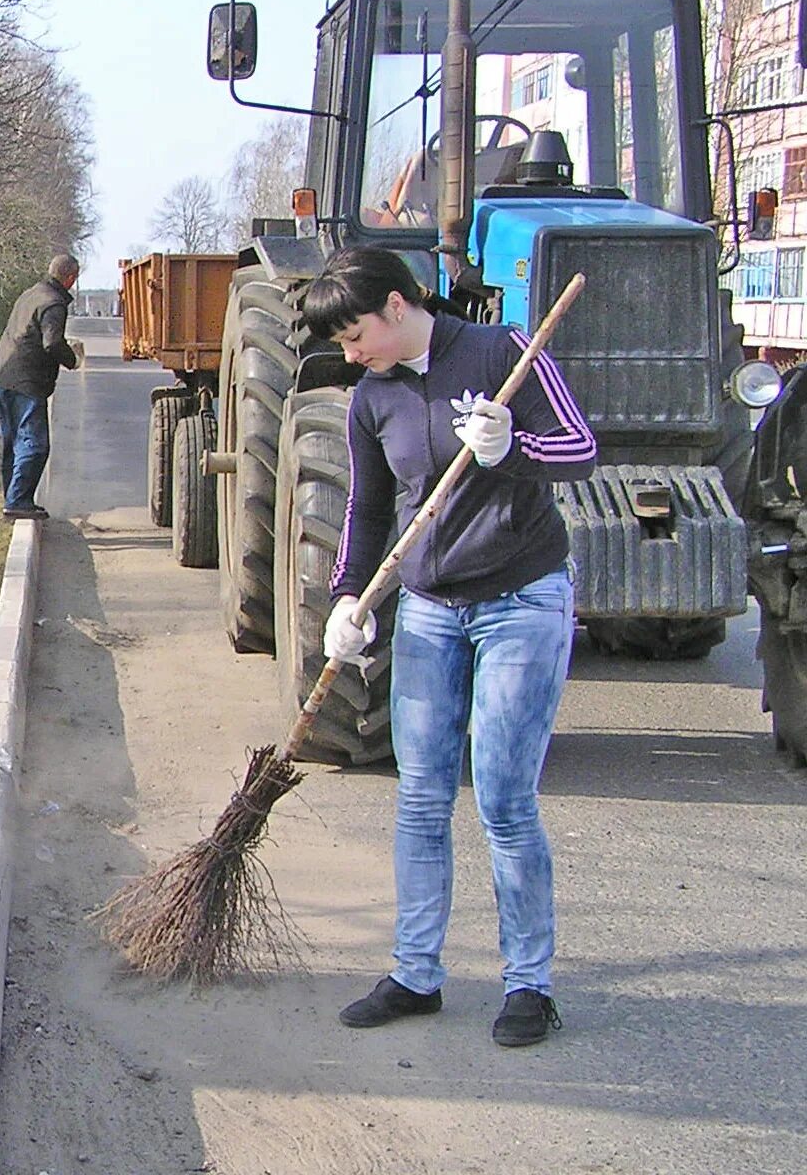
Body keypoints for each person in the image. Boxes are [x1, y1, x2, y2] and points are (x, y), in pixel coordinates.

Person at [304, 245, 597, 1049]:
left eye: (355, 333)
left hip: (520, 601)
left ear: (397, 307)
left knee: (503, 797)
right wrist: (346, 600)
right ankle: (415, 974)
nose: (350, 351)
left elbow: (581, 448)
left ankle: (529, 985)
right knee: (422, 796)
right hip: (430, 611)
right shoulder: (372, 396)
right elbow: (367, 510)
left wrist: (515, 448)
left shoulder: (502, 351)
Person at [0, 254, 81, 520]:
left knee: (14, 443)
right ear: (71, 279)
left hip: (2, 377)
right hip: (26, 381)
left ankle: (13, 498)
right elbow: (52, 343)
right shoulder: (54, 303)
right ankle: (18, 501)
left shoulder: (30, 294)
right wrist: (72, 360)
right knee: (34, 445)